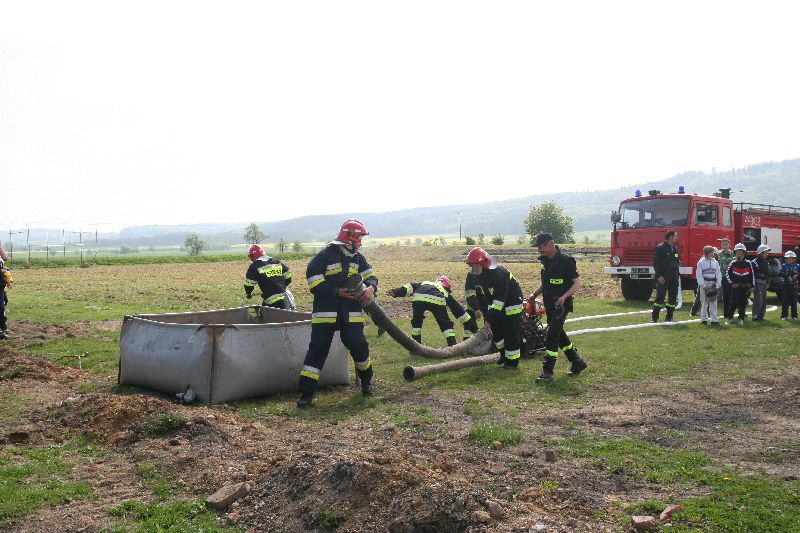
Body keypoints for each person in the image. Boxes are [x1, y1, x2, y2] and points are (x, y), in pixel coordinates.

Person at [296, 220, 377, 408]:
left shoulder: (358, 258)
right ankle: (306, 393)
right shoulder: (325, 255)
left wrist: (371, 288)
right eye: (359, 239)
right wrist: (337, 292)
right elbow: (314, 281)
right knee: (317, 351)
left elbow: (371, 276)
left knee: (359, 346)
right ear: (349, 238)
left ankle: (367, 382)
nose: (360, 243)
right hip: (325, 313)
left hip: (351, 314)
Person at [530, 233, 586, 381]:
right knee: (559, 334)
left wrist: (564, 296)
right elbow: (546, 282)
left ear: (550, 244)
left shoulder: (566, 261)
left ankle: (547, 371)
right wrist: (534, 294)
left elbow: (577, 283)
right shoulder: (545, 261)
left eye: (541, 247)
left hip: (562, 305)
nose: (539, 250)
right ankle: (577, 362)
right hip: (549, 305)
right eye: (538, 247)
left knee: (551, 334)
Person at [464, 247, 523, 369]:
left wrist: (488, 319)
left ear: (482, 263)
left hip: (512, 302)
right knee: (496, 331)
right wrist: (486, 314)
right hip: (497, 302)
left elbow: (499, 300)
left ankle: (512, 363)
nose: (472, 269)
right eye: (471, 266)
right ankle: (503, 354)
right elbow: (486, 297)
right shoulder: (480, 275)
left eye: (474, 266)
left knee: (510, 333)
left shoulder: (499, 273)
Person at [386, 276, 477, 346]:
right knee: (445, 324)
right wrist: (473, 326)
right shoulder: (444, 291)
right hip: (437, 299)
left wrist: (396, 292)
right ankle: (452, 345)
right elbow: (458, 310)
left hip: (419, 298)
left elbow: (410, 287)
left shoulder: (426, 282)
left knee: (416, 322)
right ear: (447, 287)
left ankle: (415, 346)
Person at [243, 244, 293, 309]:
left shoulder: (255, 265)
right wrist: (282, 286)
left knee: (264, 313)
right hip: (285, 297)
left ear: (252, 255)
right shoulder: (276, 262)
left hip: (271, 299)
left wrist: (248, 293)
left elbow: (249, 284)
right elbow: (288, 276)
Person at [652, 230, 681, 322]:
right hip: (664, 276)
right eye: (675, 236)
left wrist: (678, 267)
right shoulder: (660, 248)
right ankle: (654, 317)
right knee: (660, 296)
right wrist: (659, 276)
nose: (676, 238)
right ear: (670, 237)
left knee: (673, 297)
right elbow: (656, 263)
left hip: (674, 276)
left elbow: (677, 260)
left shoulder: (675, 248)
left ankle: (669, 317)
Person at [726, 243, 754, 325]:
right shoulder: (733, 263)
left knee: (743, 303)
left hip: (745, 287)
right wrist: (732, 283)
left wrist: (752, 286)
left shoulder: (748, 263)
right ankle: (729, 318)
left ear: (743, 252)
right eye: (737, 251)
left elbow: (752, 275)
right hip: (735, 287)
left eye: (740, 251)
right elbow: (727, 274)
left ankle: (741, 318)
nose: (738, 253)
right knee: (733, 303)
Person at [696, 245, 722, 325]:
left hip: (713, 285)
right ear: (708, 253)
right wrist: (703, 285)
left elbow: (718, 274)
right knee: (704, 303)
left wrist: (717, 285)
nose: (713, 254)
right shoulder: (701, 262)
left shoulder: (715, 262)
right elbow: (699, 275)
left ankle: (714, 320)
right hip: (704, 285)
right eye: (712, 252)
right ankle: (704, 319)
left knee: (713, 302)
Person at [716, 239, 736, 320]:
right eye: (723, 244)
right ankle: (726, 315)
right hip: (724, 277)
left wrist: (728, 264)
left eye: (726, 244)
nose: (724, 246)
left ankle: (731, 314)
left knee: (733, 296)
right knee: (726, 296)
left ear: (729, 244)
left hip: (732, 277)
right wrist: (732, 262)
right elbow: (723, 262)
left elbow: (733, 262)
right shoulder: (719, 254)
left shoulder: (733, 253)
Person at [751, 244, 770, 321]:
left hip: (764, 282)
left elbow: (767, 273)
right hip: (757, 282)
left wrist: (768, 281)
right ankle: (755, 315)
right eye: (765, 252)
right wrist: (753, 285)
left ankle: (761, 315)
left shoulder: (766, 262)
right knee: (758, 300)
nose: (767, 254)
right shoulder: (754, 262)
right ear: (760, 253)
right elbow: (753, 274)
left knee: (764, 300)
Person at [779, 251, 799, 320]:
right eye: (786, 258)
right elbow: (780, 273)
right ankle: (784, 315)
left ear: (794, 259)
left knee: (794, 301)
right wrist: (787, 276)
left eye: (789, 258)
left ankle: (794, 315)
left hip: (794, 286)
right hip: (785, 285)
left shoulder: (797, 266)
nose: (787, 260)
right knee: (785, 301)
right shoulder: (784, 266)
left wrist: (797, 275)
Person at [0, 253, 10, 340]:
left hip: (1, 287)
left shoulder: (1, 259)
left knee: (2, 305)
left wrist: (8, 281)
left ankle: (3, 327)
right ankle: (3, 328)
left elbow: (5, 258)